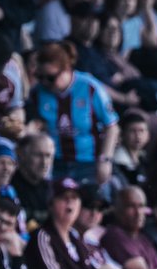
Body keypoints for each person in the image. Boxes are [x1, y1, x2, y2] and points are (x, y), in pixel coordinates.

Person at [27, 41, 119, 185]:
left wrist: (105, 160)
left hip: (88, 162)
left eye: (50, 78)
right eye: (40, 77)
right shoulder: (38, 92)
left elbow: (112, 126)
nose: (44, 82)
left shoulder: (90, 88)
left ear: (66, 69)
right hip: (54, 162)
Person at [25, 177, 101, 269]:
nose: (70, 202)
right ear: (51, 204)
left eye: (74, 197)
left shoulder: (75, 239)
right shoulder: (43, 237)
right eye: (63, 197)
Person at [101, 185, 157, 269]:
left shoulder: (143, 239)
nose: (138, 213)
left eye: (141, 206)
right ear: (118, 209)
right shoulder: (114, 235)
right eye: (131, 207)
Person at [11, 131, 53, 232]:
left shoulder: (51, 190)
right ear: (22, 154)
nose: (44, 162)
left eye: (48, 156)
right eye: (38, 155)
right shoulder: (9, 186)